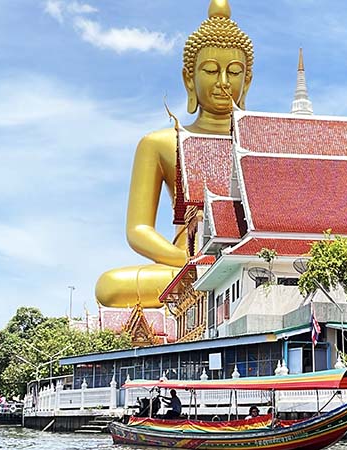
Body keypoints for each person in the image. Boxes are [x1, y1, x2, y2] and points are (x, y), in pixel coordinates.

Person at [95, 0, 255, 309]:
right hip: (183, 260)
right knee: (110, 286)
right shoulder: (160, 143)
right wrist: (189, 257)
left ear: (246, 81)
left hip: (248, 255)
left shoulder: (262, 141)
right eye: (210, 70)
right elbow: (138, 230)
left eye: (234, 72)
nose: (223, 83)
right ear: (188, 78)